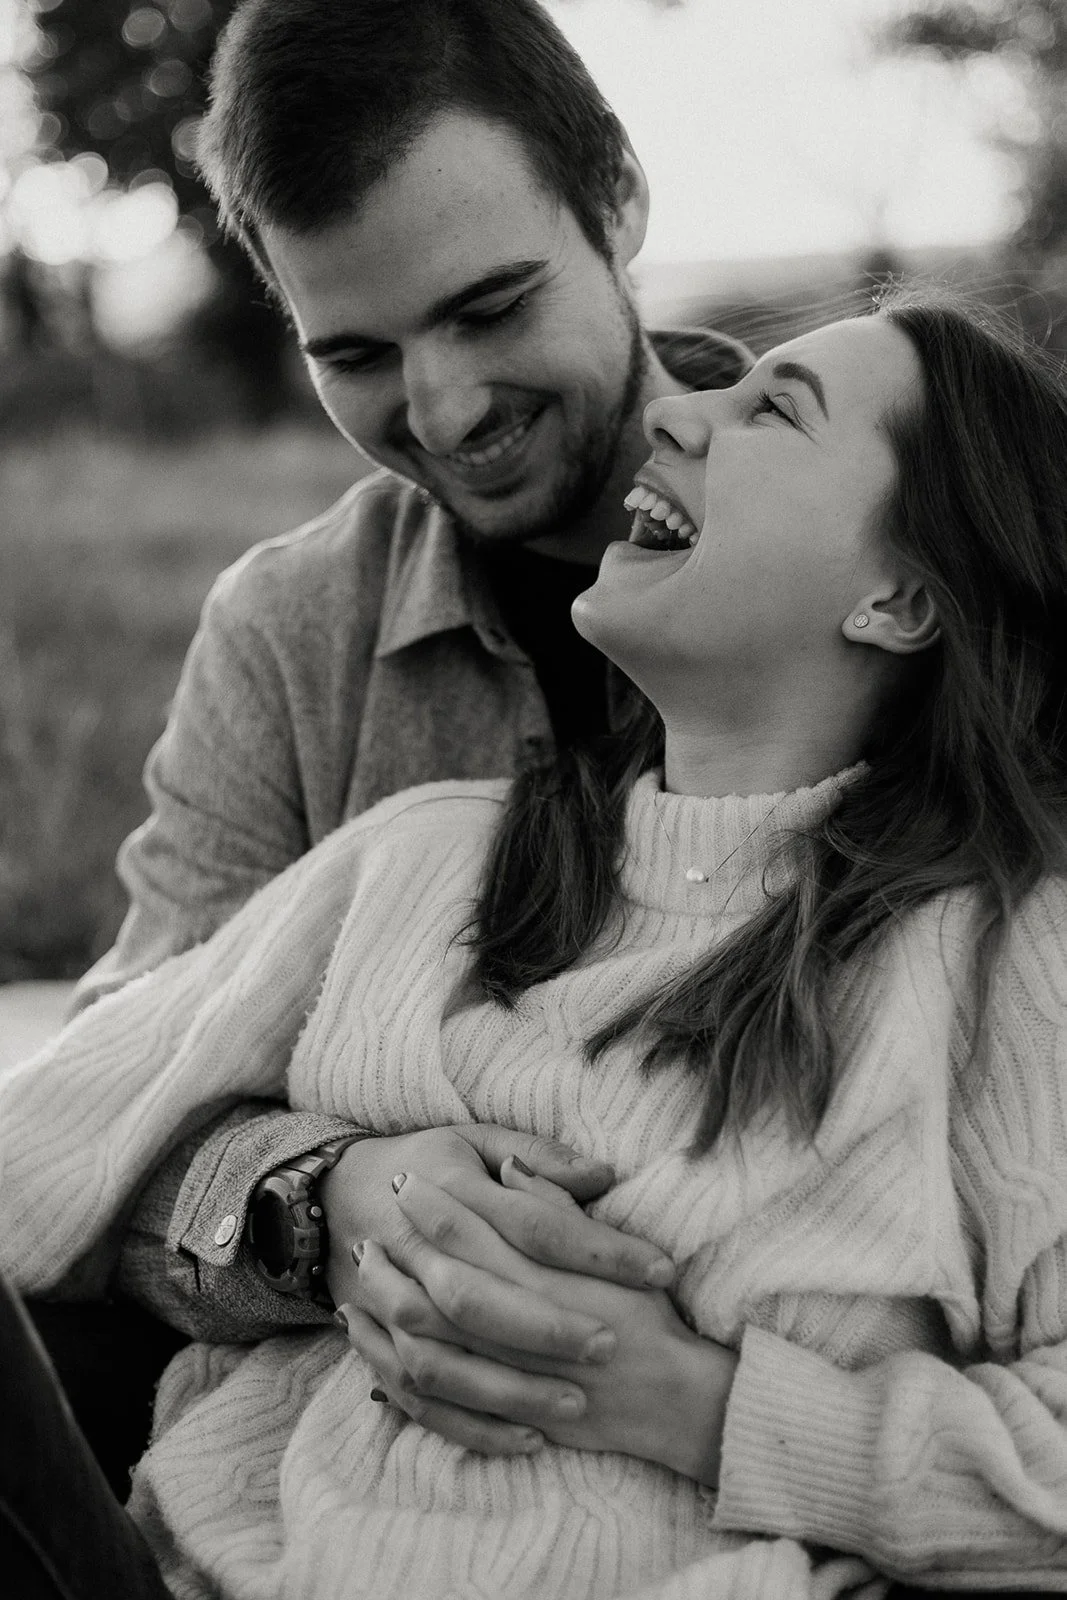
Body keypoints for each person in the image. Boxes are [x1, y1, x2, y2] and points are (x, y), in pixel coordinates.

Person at [4, 292, 1067, 1598]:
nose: (672, 415)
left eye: (772, 411)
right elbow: (37, 1154)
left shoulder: (1006, 960)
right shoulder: (424, 859)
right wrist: (316, 1196)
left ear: (901, 597)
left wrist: (691, 1402)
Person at [34, 0, 752, 1459]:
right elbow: (103, 1100)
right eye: (354, 354)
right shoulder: (296, 627)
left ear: (612, 193)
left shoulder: (900, 527)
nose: (444, 408)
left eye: (491, 308)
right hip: (371, 1430)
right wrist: (324, 1202)